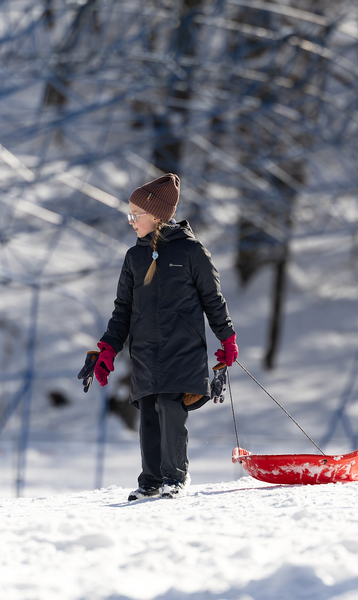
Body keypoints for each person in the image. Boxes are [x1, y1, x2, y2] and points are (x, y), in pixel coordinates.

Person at [82, 173, 238, 501]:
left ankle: (175, 478)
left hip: (182, 349)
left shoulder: (192, 252)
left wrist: (227, 339)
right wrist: (108, 348)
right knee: (149, 411)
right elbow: (122, 309)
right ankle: (150, 481)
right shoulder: (134, 258)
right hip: (144, 352)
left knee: (170, 407)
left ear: (156, 216)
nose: (130, 222)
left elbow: (213, 299)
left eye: (134, 215)